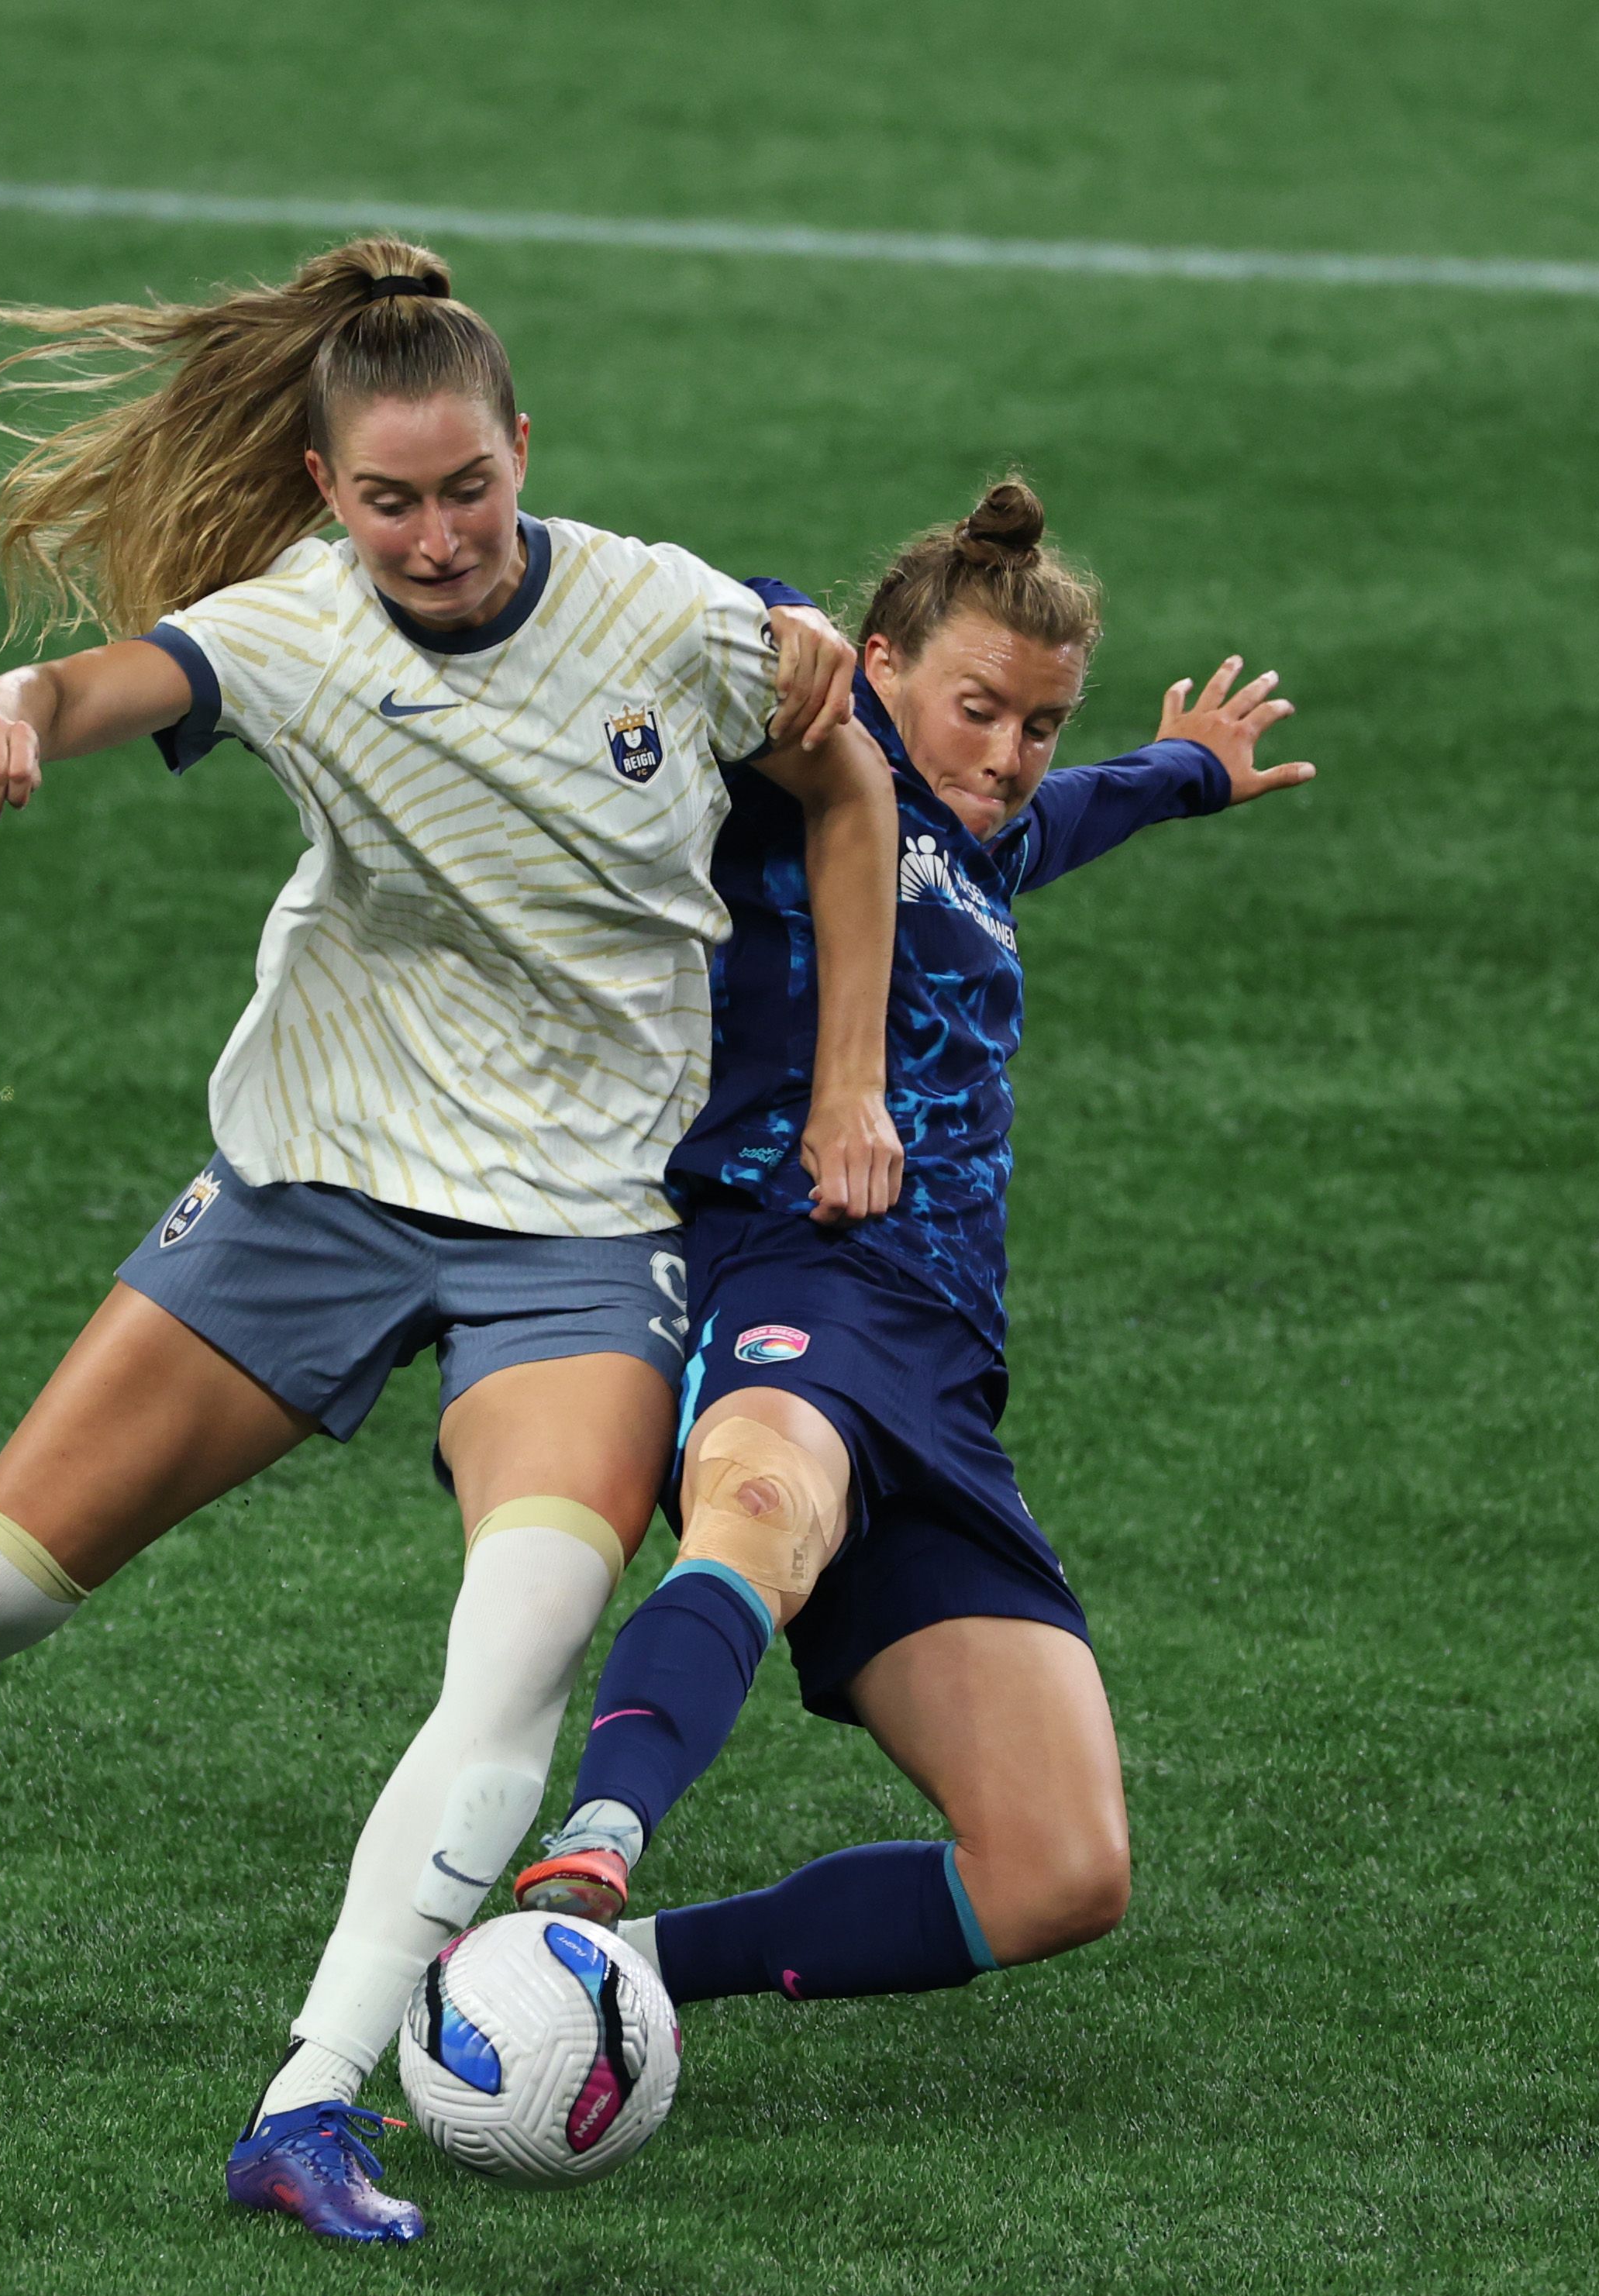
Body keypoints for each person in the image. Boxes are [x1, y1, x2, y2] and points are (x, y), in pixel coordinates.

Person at [0, 236, 907, 2246]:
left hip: (573, 1233)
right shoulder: (292, 629)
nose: (436, 537)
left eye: (469, 489)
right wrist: (12, 706)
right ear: (319, 488)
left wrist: (846, 1091)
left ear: (523, 450)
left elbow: (848, 782)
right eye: (390, 500)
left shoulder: (668, 617)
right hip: (312, 1189)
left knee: (519, 1653)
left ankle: (309, 2105)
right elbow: (107, 683)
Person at [509, 479, 1311, 2025]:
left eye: (1040, 723)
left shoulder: (987, 838)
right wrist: (776, 620)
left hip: (943, 1383)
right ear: (879, 665)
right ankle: (596, 1838)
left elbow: (1087, 803)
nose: (1007, 755)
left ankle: (611, 1974)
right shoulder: (812, 771)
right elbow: (684, 618)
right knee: (756, 1499)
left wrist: (1188, 773)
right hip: (790, 1269)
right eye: (977, 709)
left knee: (1059, 1871)